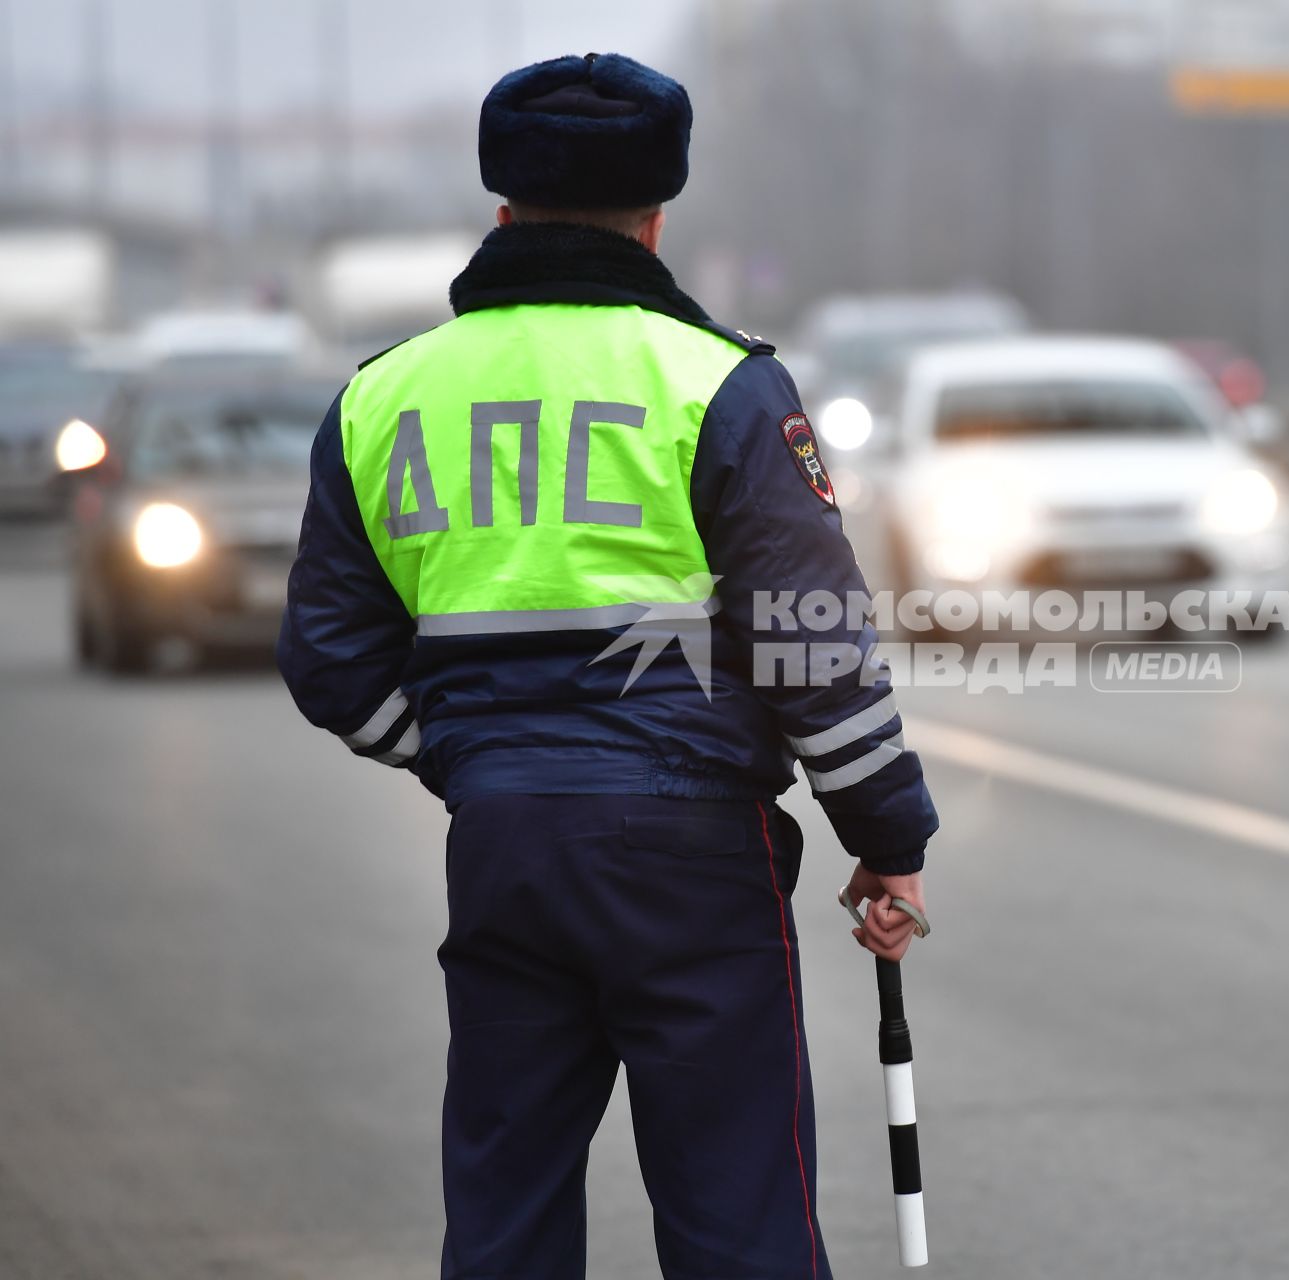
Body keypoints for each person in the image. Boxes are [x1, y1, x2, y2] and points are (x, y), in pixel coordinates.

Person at [277, 51, 937, 1280]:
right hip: (692, 857)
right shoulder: (721, 385)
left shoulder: (384, 397)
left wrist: (478, 756)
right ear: (658, 213)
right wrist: (885, 835)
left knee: (505, 1215)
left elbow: (328, 658)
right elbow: (812, 648)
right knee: (738, 1217)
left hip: (505, 845)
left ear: (502, 206)